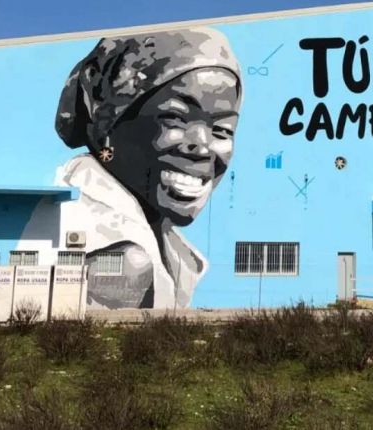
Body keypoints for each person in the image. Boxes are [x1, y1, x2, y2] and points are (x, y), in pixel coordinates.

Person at [34, 28, 241, 309]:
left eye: (222, 130)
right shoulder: (116, 252)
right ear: (108, 120)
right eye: (175, 118)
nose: (203, 147)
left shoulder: (171, 247)